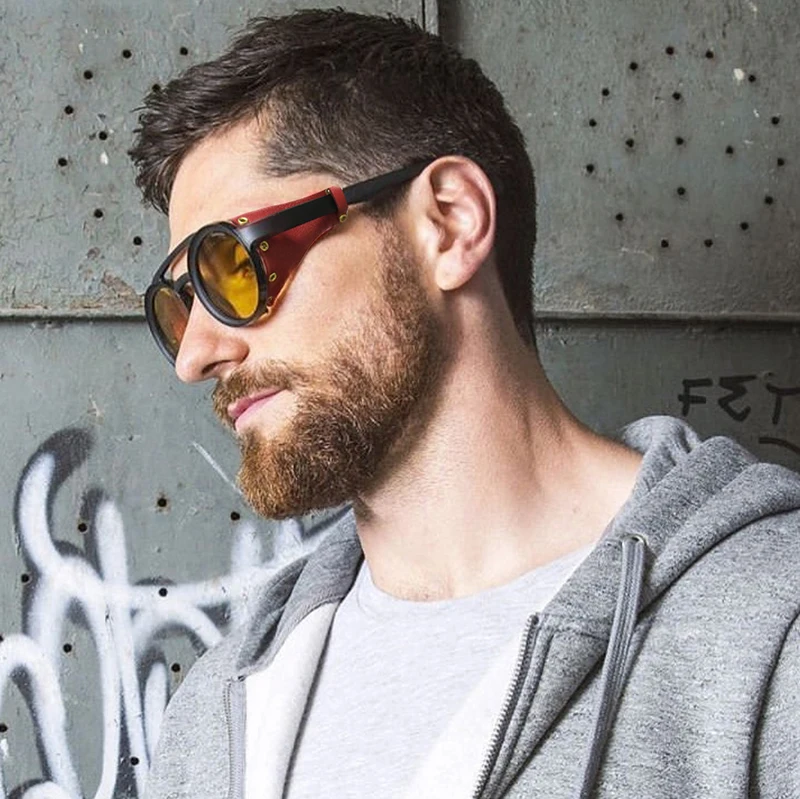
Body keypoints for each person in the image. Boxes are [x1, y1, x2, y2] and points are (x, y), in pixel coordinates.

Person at [130, 9, 800, 799]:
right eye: (179, 308)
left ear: (449, 224)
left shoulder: (769, 632)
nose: (196, 355)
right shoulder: (217, 714)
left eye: (235, 268)